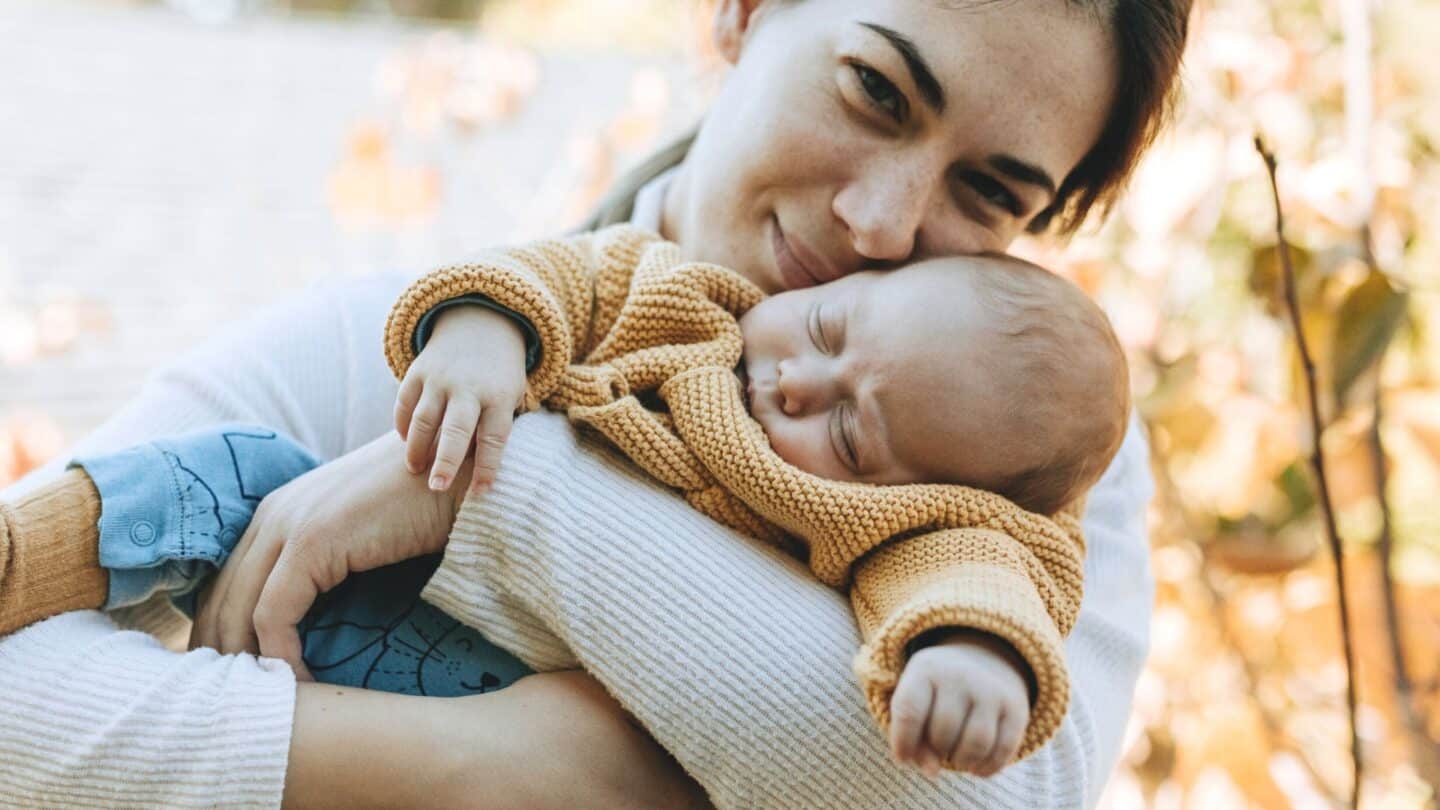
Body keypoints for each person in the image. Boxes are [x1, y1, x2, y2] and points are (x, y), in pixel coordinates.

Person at [0, 0, 1190, 806]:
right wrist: (497, 768)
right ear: (742, 11)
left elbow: (985, 793)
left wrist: (492, 495)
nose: (881, 224)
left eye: (988, 191)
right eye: (877, 89)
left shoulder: (1026, 433)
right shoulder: (436, 328)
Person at [0, 229, 1128, 778]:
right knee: (243, 469)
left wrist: (975, 655)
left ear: (917, 491)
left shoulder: (898, 530)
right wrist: (488, 342)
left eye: (847, 429)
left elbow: (969, 575)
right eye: (830, 330)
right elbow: (564, 280)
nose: (795, 380)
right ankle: (27, 550)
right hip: (378, 596)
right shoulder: (688, 303)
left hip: (469, 677)